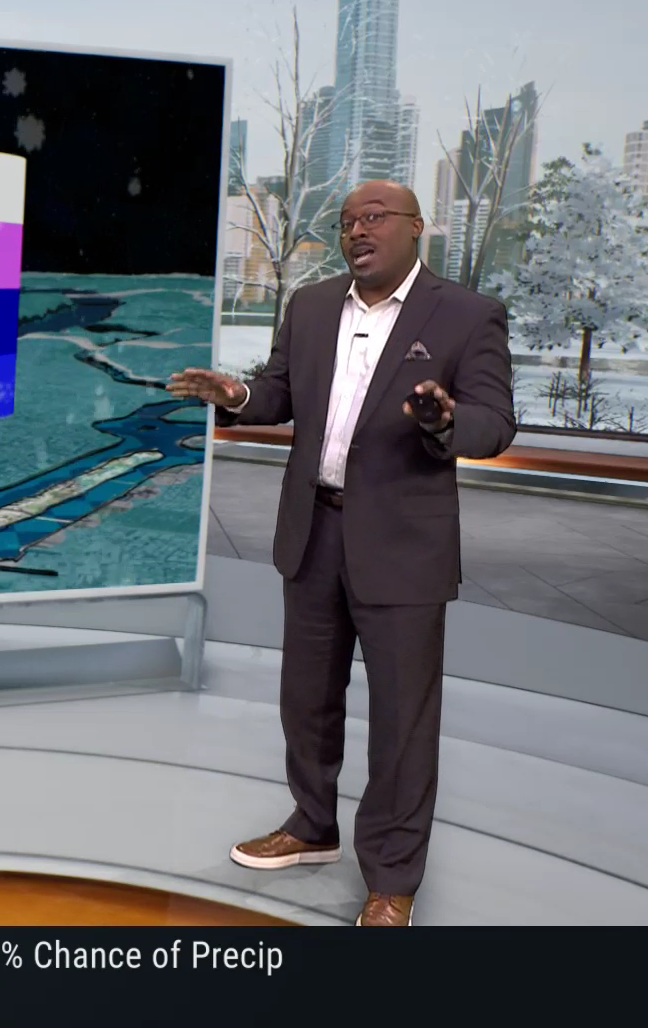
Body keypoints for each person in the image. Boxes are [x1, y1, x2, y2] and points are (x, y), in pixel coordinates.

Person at [170, 181, 514, 926]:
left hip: (403, 546)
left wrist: (446, 421)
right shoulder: (312, 305)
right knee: (307, 700)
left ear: (415, 228)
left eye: (374, 218)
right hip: (314, 531)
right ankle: (311, 824)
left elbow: (495, 423)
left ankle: (392, 878)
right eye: (347, 221)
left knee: (402, 721)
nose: (358, 230)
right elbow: (278, 394)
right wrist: (236, 396)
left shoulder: (466, 314)